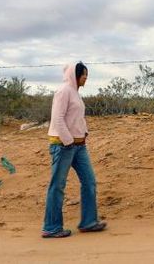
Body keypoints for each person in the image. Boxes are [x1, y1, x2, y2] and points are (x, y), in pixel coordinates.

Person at [42, 62, 107, 238]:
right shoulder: (63, 91)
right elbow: (58, 119)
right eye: (84, 74)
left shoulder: (75, 93)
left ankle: (88, 222)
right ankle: (51, 227)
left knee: (89, 181)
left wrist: (83, 133)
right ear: (74, 75)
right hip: (63, 146)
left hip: (79, 146)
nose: (86, 78)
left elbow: (76, 118)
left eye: (87, 75)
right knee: (58, 185)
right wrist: (68, 141)